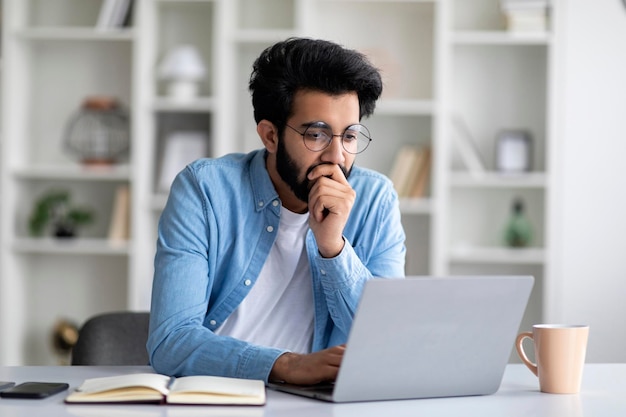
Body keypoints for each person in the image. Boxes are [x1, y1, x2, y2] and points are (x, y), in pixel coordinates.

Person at [147, 37, 406, 385]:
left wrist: (333, 247)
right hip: (216, 394)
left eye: (349, 136)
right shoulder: (204, 190)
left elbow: (388, 341)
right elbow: (170, 342)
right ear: (270, 136)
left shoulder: (376, 199)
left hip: (317, 406)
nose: (336, 157)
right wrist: (285, 366)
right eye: (317, 134)